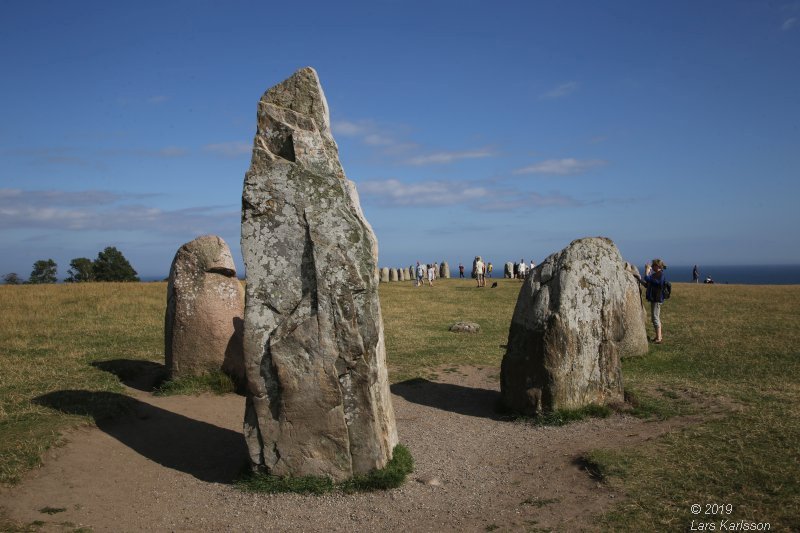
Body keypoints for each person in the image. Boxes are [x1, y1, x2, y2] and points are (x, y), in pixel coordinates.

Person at [634, 258, 667, 344]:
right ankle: (658, 336)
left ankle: (659, 338)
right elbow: (647, 284)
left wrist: (646, 272)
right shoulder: (655, 275)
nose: (652, 267)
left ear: (657, 266)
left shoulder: (660, 275)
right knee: (655, 317)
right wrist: (639, 280)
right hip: (654, 299)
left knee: (655, 318)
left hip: (657, 299)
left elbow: (656, 282)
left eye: (653, 265)